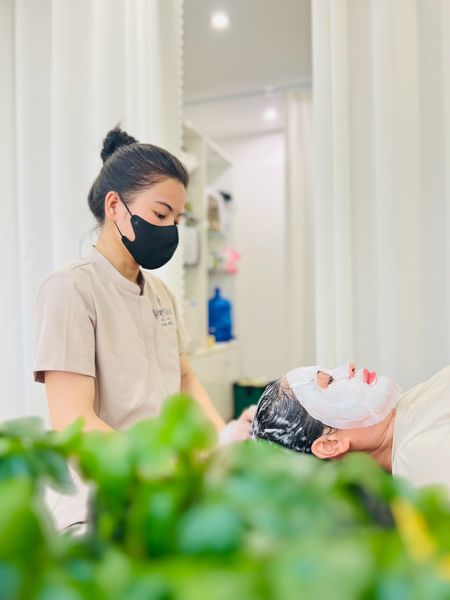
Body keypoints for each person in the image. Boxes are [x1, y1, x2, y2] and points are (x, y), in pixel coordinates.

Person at [34, 127, 253, 529]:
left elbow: (184, 379)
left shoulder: (161, 293)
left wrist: (222, 442)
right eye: (160, 215)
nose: (170, 230)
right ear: (114, 206)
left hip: (163, 489)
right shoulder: (71, 289)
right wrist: (157, 466)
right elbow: (73, 421)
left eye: (177, 219)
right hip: (98, 499)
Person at [252, 362, 450, 496]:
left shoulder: (406, 408)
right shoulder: (420, 458)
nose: (349, 367)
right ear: (330, 445)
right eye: (329, 381)